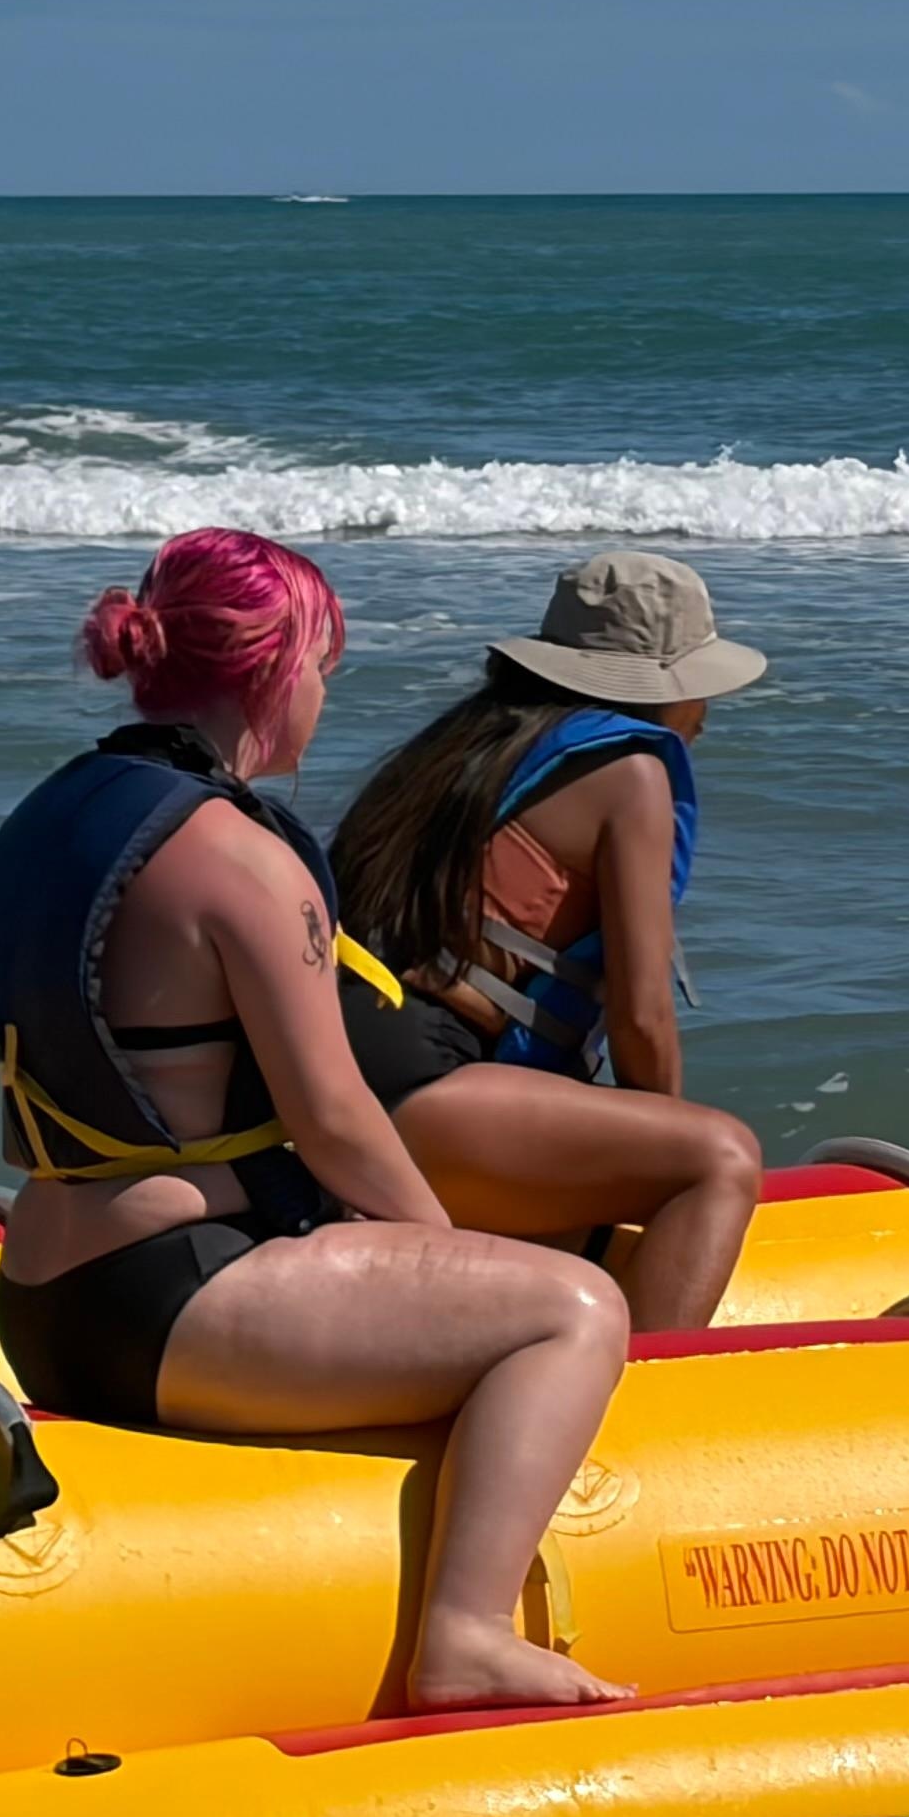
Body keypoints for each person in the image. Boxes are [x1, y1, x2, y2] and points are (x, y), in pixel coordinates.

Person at [0, 528, 629, 1711]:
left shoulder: (57, 813)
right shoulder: (239, 857)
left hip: (42, 1301)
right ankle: (465, 1636)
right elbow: (334, 1121)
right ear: (274, 673)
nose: (325, 694)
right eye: (324, 665)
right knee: (572, 1309)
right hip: (177, 1302)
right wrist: (455, 1254)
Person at [327, 552, 766, 1334]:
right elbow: (642, 1017)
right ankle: (642, 1410)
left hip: (326, 1083)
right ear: (661, 686)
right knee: (719, 1159)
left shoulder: (458, 748)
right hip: (424, 1088)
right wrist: (650, 1161)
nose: (706, 710)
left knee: (584, 1235)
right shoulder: (631, 771)